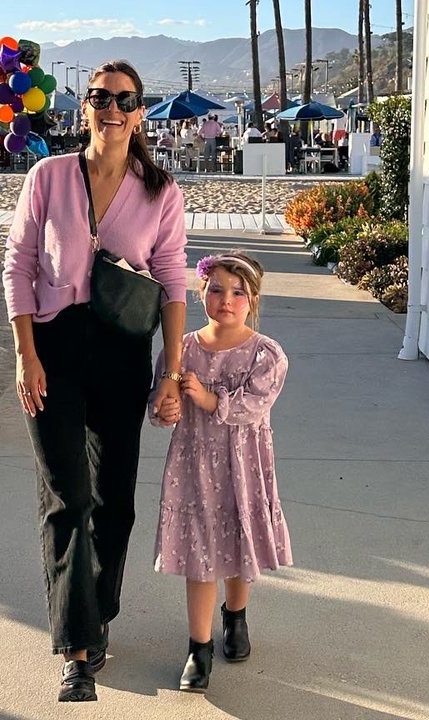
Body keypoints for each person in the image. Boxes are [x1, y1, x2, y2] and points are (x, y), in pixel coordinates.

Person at [3, 60, 188, 704]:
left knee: (114, 501)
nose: (111, 108)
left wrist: (171, 370)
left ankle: (99, 611)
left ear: (139, 113)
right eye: (99, 97)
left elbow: (171, 280)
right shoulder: (48, 176)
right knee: (66, 497)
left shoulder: (161, 191)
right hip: (53, 348)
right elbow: (19, 266)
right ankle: (77, 647)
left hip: (121, 350)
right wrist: (27, 355)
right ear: (85, 108)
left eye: (125, 99)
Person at [151, 251, 291, 694]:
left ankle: (236, 616)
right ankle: (199, 647)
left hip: (243, 466)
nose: (225, 300)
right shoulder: (183, 349)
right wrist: (167, 406)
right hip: (193, 466)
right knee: (199, 553)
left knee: (235, 541)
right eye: (215, 290)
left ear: (252, 300)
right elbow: (161, 402)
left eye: (237, 293)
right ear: (201, 293)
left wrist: (210, 399)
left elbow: (253, 406)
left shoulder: (266, 354)